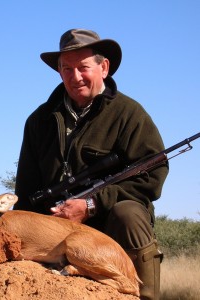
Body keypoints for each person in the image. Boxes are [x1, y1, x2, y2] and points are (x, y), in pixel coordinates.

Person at [14, 28, 169, 300]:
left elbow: (152, 177)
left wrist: (91, 204)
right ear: (59, 71)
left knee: (129, 214)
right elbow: (25, 189)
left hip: (109, 223)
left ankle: (145, 296)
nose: (75, 77)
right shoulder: (38, 120)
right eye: (66, 69)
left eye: (83, 67)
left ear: (103, 67)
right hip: (54, 225)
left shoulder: (129, 114)